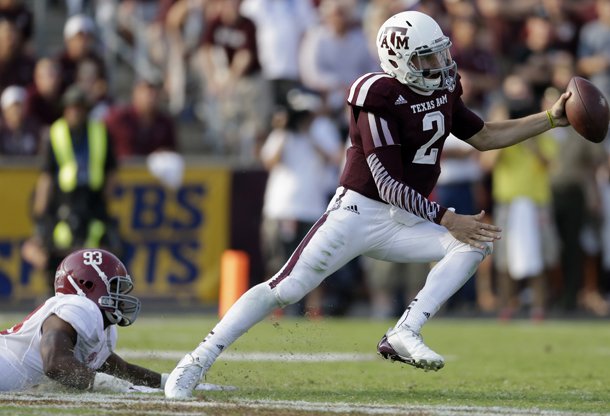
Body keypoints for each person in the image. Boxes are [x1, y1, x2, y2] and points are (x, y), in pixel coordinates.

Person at [164, 10, 572, 399]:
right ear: (400, 60)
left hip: (406, 219)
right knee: (284, 289)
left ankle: (404, 332)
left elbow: (483, 136)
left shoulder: (444, 87)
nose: (442, 63)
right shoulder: (375, 94)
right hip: (358, 213)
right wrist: (446, 217)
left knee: (474, 244)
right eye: (428, 56)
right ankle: (196, 361)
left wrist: (550, 119)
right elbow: (388, 184)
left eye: (441, 51)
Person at [0, 248, 156, 392]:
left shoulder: (103, 327)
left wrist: (164, 381)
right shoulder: (80, 307)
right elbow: (55, 364)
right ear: (87, 284)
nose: (121, 299)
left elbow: (122, 370)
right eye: (114, 288)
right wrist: (119, 387)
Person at [25, 85, 121, 295]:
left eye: (79, 108)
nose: (75, 112)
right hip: (64, 199)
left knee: (98, 248)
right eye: (71, 108)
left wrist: (105, 201)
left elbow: (111, 169)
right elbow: (47, 174)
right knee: (56, 249)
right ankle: (55, 296)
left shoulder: (99, 132)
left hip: (92, 199)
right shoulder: (56, 133)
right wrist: (41, 213)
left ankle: (96, 298)